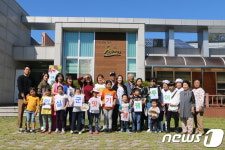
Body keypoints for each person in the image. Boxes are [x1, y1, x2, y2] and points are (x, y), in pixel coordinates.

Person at [17, 65, 35, 133]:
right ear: (24, 70)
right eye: (26, 69)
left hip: (29, 98)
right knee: (20, 113)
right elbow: (19, 87)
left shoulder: (32, 79)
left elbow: (32, 88)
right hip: (21, 98)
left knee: (29, 113)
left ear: (30, 71)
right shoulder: (20, 78)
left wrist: (29, 94)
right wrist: (23, 95)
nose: (28, 71)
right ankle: (20, 127)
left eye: (29, 70)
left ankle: (28, 126)